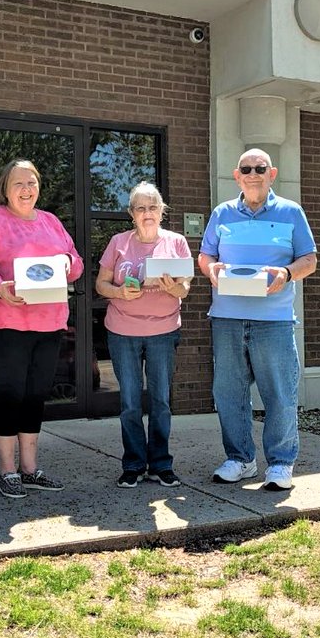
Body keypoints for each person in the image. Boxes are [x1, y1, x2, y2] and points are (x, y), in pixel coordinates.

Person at [197, 148, 318, 491]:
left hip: (274, 320)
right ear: (237, 175)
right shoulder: (221, 214)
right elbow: (206, 256)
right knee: (229, 392)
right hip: (228, 318)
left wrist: (287, 272)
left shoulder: (291, 212)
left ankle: (280, 464)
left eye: (259, 168)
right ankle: (240, 460)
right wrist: (211, 268)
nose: (253, 173)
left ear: (272, 173)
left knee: (279, 393)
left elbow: (309, 259)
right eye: (246, 168)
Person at [0, 159, 84, 499]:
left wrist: (67, 262)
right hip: (6, 323)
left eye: (32, 182)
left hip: (48, 323)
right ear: (4, 188)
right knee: (9, 393)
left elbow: (75, 262)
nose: (27, 189)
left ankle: (30, 469)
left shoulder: (50, 222)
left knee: (35, 394)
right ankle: (7, 470)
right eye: (19, 183)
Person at [95, 182, 193, 489]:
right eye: (140, 208)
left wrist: (172, 287)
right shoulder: (118, 242)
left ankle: (160, 464)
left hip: (163, 330)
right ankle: (134, 464)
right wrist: (121, 292)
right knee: (130, 402)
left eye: (152, 207)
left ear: (162, 211)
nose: (147, 213)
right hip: (123, 330)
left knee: (161, 400)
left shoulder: (176, 242)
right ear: (131, 214)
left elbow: (185, 288)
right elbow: (101, 285)